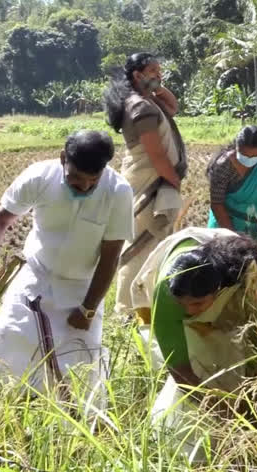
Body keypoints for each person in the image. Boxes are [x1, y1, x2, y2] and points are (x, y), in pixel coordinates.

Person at [0, 131, 133, 393]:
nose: (85, 187)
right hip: (36, 279)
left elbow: (110, 258)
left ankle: (72, 425)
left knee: (80, 369)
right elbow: (0, 222)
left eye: (93, 180)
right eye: (76, 178)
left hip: (83, 289)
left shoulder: (118, 192)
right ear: (63, 158)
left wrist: (88, 308)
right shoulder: (40, 176)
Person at [128, 228, 257, 463]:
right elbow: (180, 370)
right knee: (198, 362)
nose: (190, 311)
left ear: (218, 292)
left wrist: (254, 404)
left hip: (227, 266)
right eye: (184, 304)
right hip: (187, 264)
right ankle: (179, 452)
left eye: (197, 304)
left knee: (234, 353)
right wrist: (224, 414)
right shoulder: (167, 295)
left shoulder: (245, 278)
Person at [104, 52, 187, 315]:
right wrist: (174, 181)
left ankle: (147, 304)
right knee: (140, 245)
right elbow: (156, 155)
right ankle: (128, 310)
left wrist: (157, 87)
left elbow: (173, 108)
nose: (158, 74)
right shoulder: (140, 107)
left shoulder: (148, 100)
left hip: (155, 180)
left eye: (159, 70)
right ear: (137, 75)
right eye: (153, 71)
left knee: (155, 242)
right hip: (147, 182)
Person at [207, 125, 257, 240]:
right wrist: (234, 238)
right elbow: (217, 203)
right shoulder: (224, 165)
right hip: (226, 226)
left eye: (255, 156)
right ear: (236, 148)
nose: (249, 160)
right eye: (244, 155)